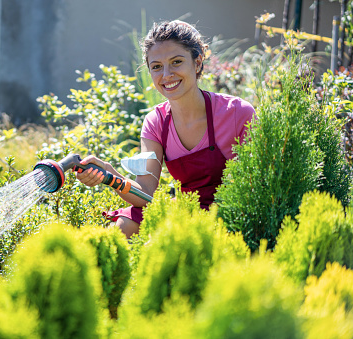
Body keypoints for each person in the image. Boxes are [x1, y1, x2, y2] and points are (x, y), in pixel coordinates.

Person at [77, 20, 255, 238]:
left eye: (176, 62)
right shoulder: (156, 123)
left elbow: (255, 187)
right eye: (157, 67)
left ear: (197, 63)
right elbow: (144, 193)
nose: (166, 75)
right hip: (185, 211)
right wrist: (109, 175)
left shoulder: (237, 113)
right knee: (124, 225)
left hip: (231, 215)